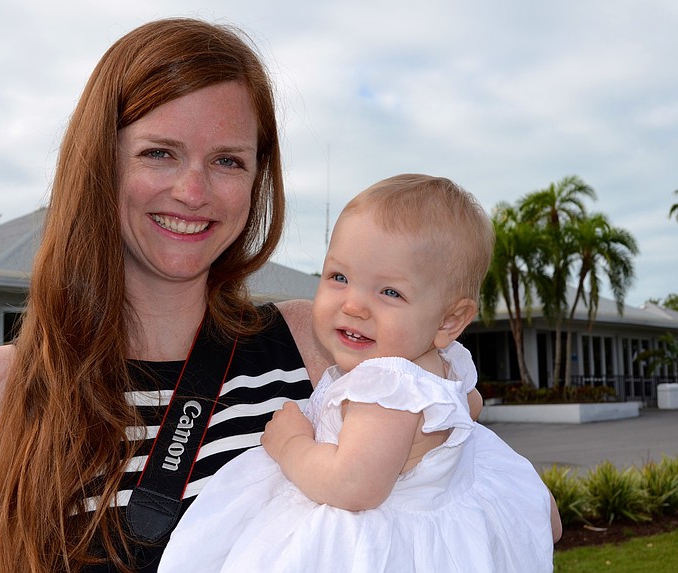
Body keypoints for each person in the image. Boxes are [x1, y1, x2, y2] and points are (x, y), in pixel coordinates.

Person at [0, 17, 334, 573]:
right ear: (100, 164)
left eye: (228, 160)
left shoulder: (317, 347)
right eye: (159, 152)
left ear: (258, 179)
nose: (192, 191)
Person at [159, 174, 561, 572]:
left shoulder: (386, 386)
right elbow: (469, 406)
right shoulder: (444, 368)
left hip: (364, 546)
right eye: (339, 277)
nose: (354, 305)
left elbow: (353, 485)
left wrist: (292, 445)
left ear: (448, 321)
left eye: (390, 292)